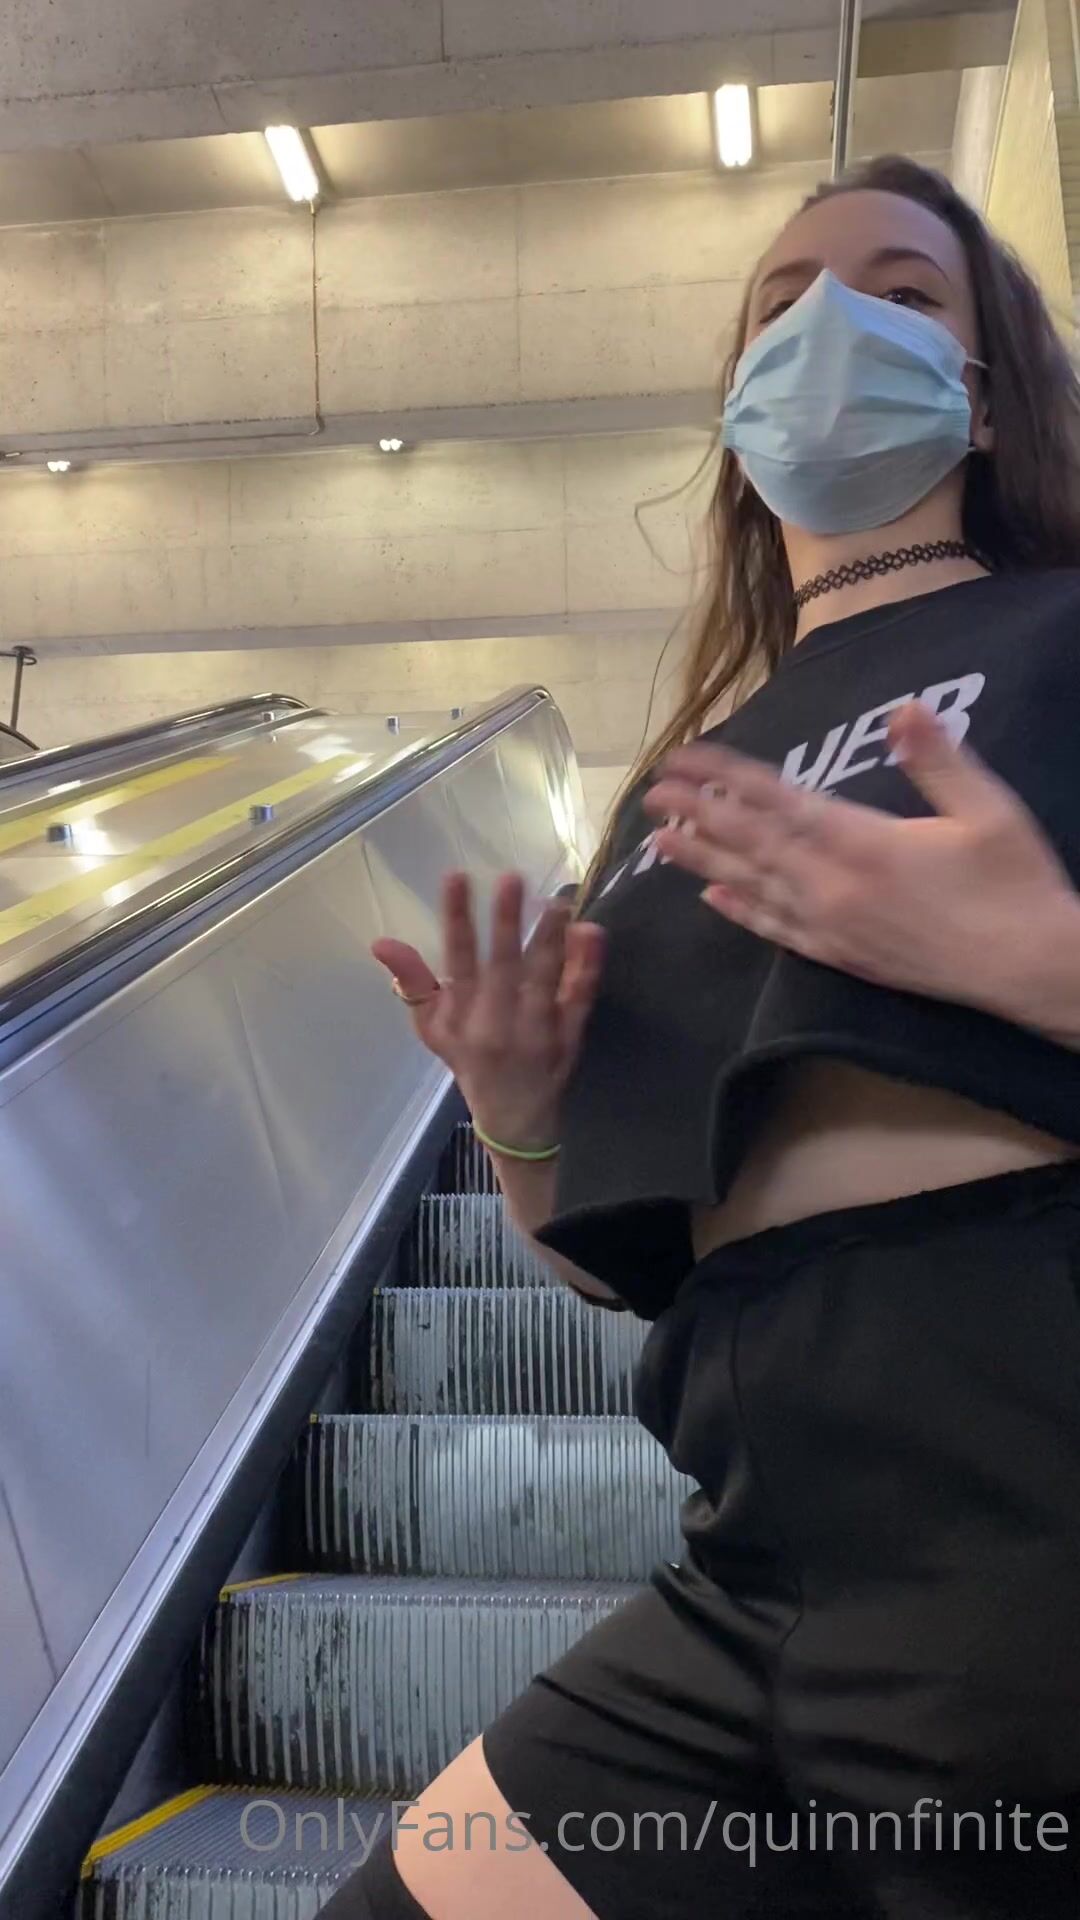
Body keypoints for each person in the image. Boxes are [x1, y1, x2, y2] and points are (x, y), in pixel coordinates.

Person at [327, 154, 1080, 1918]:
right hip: (753, 1561)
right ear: (740, 413)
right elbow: (618, 1260)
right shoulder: (684, 795)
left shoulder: (1062, 637)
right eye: (782, 303)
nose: (832, 325)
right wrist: (520, 1114)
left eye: (903, 292)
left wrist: (1043, 959)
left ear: (983, 395)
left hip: (1035, 1511)